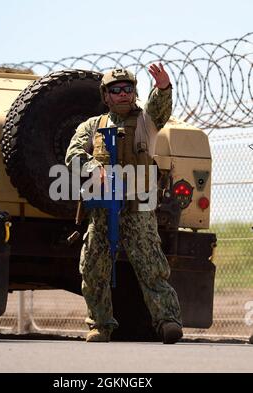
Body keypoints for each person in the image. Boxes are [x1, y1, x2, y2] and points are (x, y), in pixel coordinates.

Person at [65, 64, 183, 344]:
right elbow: (73, 155)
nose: (122, 94)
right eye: (115, 90)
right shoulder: (93, 126)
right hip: (103, 208)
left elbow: (160, 107)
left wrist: (164, 87)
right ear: (105, 96)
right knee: (94, 267)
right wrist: (94, 167)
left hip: (137, 207)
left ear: (134, 93)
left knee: (151, 267)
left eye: (127, 89)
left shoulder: (146, 121)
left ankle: (168, 321)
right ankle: (100, 325)